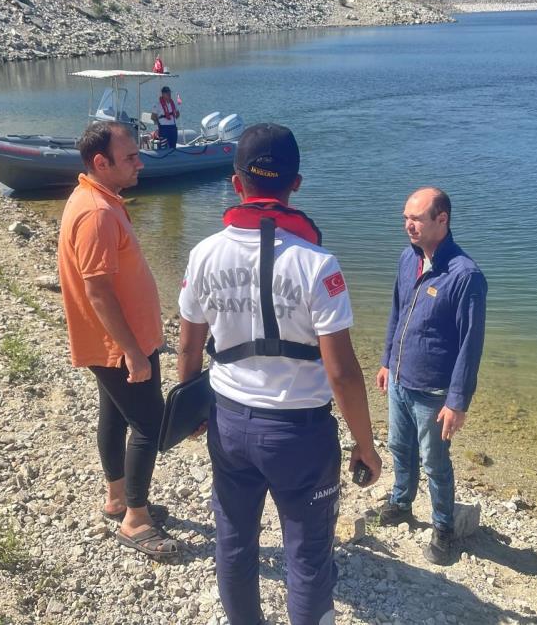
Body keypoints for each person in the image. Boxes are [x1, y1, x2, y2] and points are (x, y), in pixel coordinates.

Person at [177, 123, 382, 625]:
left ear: (235, 183)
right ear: (296, 184)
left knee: (234, 543)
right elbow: (343, 372)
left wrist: (190, 411)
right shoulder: (319, 265)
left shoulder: (204, 254)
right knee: (308, 557)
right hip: (300, 434)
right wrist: (365, 443)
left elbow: (187, 344)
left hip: (229, 423)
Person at [57, 120, 178, 560]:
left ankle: (117, 497)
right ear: (100, 162)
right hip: (119, 345)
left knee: (114, 414)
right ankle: (136, 520)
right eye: (130, 158)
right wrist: (132, 351)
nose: (139, 163)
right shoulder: (97, 212)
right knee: (149, 423)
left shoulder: (97, 198)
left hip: (112, 342)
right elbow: (98, 290)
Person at [375, 187, 487, 566]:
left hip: (434, 391)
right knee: (398, 448)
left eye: (417, 218)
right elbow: (396, 310)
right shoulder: (408, 259)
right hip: (400, 381)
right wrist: (387, 360)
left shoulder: (465, 275)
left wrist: (457, 402)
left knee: (435, 463)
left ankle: (444, 529)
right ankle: (401, 503)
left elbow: (471, 346)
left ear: (443, 220)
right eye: (406, 217)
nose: (409, 224)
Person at [152, 85, 179, 149]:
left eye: (169, 93)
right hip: (164, 128)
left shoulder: (173, 103)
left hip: (173, 127)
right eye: (167, 93)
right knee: (163, 146)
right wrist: (158, 124)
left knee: (173, 145)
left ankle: (173, 156)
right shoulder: (158, 104)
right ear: (163, 94)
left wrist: (175, 115)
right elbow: (153, 116)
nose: (169, 94)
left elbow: (177, 114)